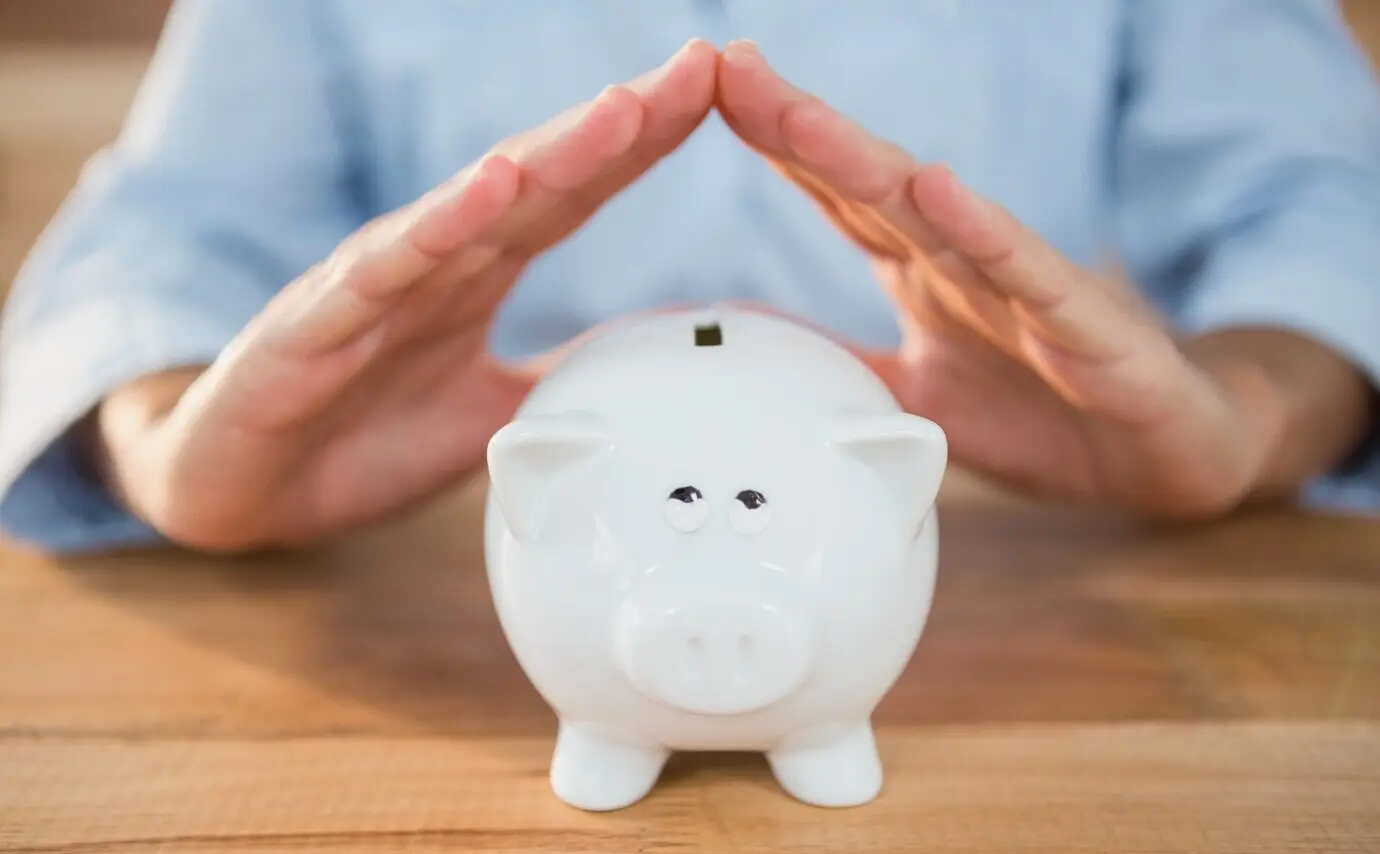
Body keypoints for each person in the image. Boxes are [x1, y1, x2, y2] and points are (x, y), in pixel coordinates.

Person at [2, 0, 1378, 555]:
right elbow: (170, 227)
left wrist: (1248, 409)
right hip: (454, 549)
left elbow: (1320, 201)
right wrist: (170, 437)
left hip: (1021, 546)